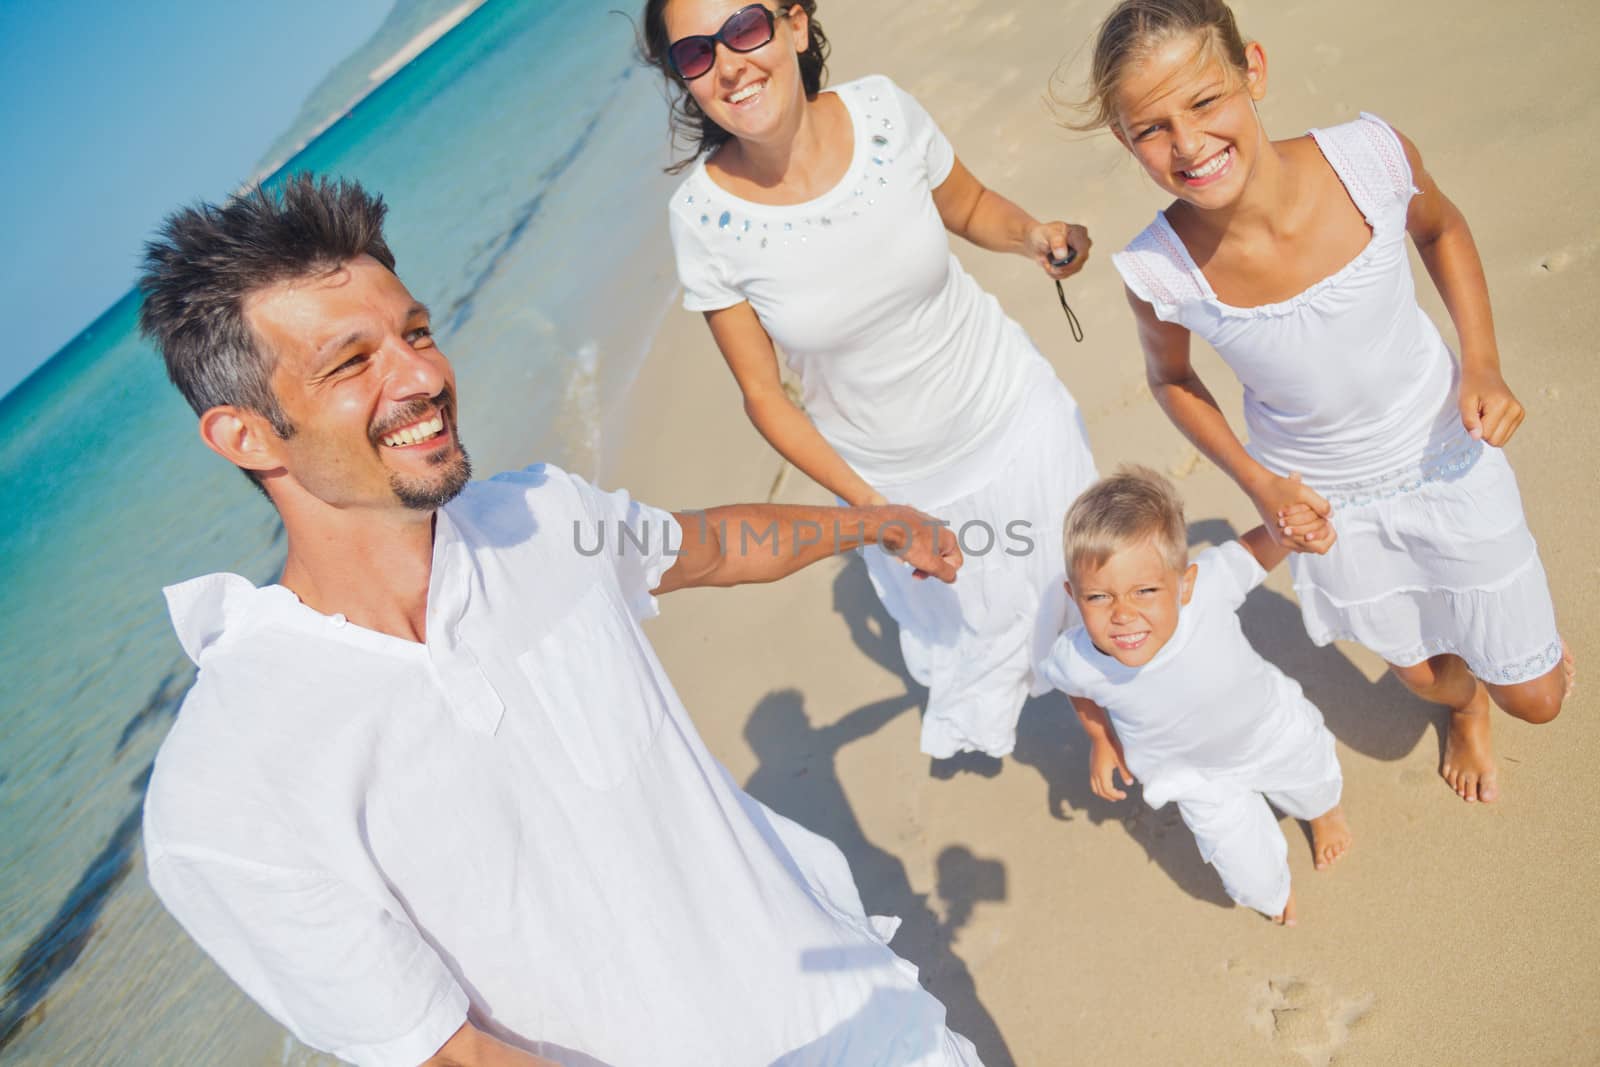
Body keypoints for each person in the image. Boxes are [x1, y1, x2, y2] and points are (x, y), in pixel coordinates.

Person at [136, 175, 984, 1067]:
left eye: (415, 332)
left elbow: (709, 547)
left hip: (868, 1021)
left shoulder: (541, 517)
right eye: (352, 363)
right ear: (245, 436)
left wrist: (872, 521)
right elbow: (451, 1056)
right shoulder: (224, 792)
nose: (422, 376)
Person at [1067, 0, 1572, 803]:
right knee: (1423, 673)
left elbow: (1441, 230)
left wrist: (1482, 363)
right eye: (1153, 129)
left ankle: (1501, 685)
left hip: (1444, 450)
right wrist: (1259, 485)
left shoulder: (1370, 159)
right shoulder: (1160, 270)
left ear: (1252, 72)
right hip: (1325, 502)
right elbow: (1172, 380)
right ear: (1128, 142)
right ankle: (1466, 703)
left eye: (1204, 101)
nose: (1189, 144)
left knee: (1540, 700)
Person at [642, 0, 1100, 761]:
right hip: (900, 483)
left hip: (1016, 413)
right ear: (683, 79)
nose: (727, 64)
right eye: (694, 54)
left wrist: (1036, 237)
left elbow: (973, 206)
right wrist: (879, 512)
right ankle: (1096, 718)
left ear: (793, 24)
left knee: (1098, 592)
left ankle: (1113, 726)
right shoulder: (703, 219)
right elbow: (764, 397)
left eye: (744, 28)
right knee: (994, 637)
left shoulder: (885, 112)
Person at [1040, 468, 1350, 925]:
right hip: (1193, 777)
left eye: (1145, 591)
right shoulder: (1075, 657)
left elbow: (1253, 553)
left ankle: (1322, 813)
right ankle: (1272, 889)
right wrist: (1101, 741)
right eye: (1099, 597)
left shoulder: (1207, 593)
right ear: (1073, 596)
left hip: (1268, 730)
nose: (1124, 614)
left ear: (1183, 585)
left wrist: (1287, 530)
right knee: (1250, 877)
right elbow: (1075, 690)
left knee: (1312, 781)